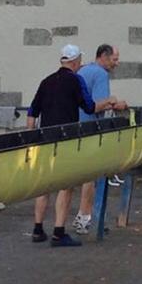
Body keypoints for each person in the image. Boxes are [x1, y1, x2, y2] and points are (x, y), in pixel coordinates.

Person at [27, 44, 95, 246]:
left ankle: (38, 229)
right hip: (66, 139)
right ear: (75, 62)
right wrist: (109, 102)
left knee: (44, 184)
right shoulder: (76, 80)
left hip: (44, 138)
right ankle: (58, 232)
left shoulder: (46, 81)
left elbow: (32, 112)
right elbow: (89, 107)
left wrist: (31, 137)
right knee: (65, 185)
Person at [71, 44, 129, 236]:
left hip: (73, 128)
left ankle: (66, 221)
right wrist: (117, 104)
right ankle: (84, 217)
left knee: (69, 180)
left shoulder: (82, 70)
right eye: (114, 59)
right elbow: (97, 105)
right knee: (91, 177)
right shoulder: (101, 74)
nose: (117, 63)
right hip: (90, 130)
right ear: (104, 56)